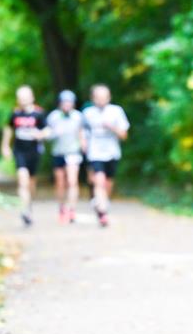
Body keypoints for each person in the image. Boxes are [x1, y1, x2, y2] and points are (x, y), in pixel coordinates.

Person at [81, 84, 130, 227]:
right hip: (95, 153)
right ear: (93, 98)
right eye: (98, 97)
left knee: (108, 183)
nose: (101, 100)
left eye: (104, 97)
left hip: (112, 153)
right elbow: (82, 131)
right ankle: (102, 211)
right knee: (99, 181)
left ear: (109, 97)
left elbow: (124, 135)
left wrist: (112, 127)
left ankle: (103, 204)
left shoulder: (116, 111)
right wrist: (83, 142)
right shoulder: (87, 113)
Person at [1, 85, 46, 227]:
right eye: (21, 99)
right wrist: (5, 146)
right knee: (23, 180)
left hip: (34, 152)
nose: (23, 101)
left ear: (32, 98)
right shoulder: (15, 114)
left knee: (31, 182)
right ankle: (25, 210)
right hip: (19, 151)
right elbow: (8, 129)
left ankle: (29, 204)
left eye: (26, 98)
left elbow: (48, 130)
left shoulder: (39, 114)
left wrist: (40, 134)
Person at [46, 90, 87, 224]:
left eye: (69, 102)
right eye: (64, 102)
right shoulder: (53, 116)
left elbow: (81, 133)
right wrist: (52, 134)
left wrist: (83, 145)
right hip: (58, 152)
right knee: (60, 182)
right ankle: (62, 207)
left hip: (73, 152)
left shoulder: (78, 117)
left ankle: (72, 210)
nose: (67, 105)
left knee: (72, 181)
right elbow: (48, 133)